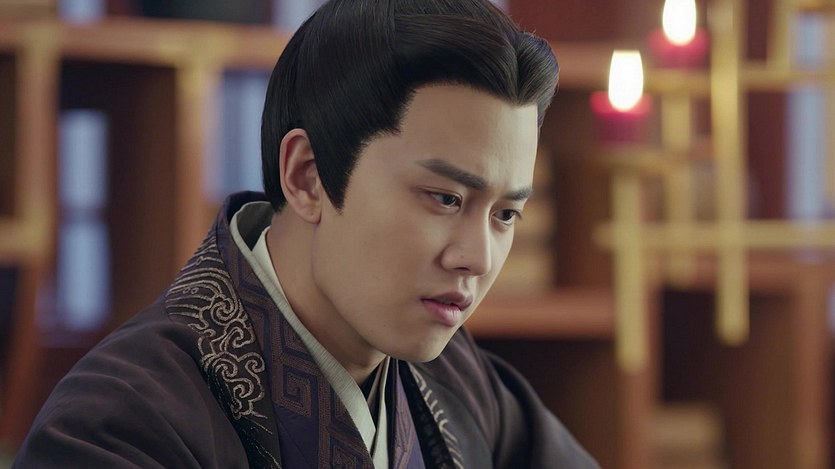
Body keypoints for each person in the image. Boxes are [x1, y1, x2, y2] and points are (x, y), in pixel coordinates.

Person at [14, 0, 599, 467]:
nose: (477, 257)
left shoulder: (452, 380)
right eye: (445, 198)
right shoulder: (120, 426)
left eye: (505, 215)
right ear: (308, 177)